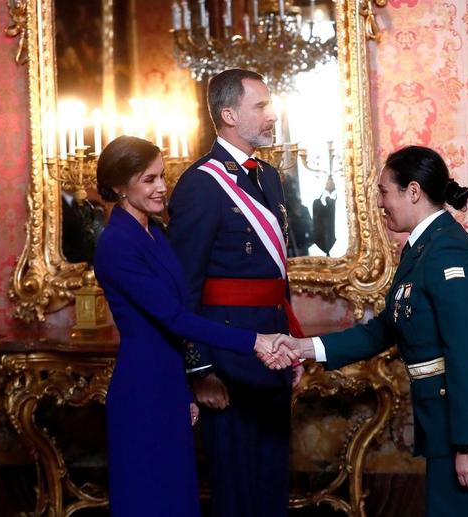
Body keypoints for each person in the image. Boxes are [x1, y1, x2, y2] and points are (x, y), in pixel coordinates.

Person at [280, 146, 468, 516]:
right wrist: (305, 348)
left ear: (414, 191)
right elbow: (382, 330)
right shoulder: (422, 249)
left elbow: (465, 354)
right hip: (448, 425)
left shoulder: (448, 253)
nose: (380, 202)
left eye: (384, 191)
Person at [92, 135, 297, 516]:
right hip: (143, 387)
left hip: (169, 381)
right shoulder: (116, 242)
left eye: (162, 176)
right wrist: (253, 340)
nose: (162, 188)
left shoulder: (155, 232)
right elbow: (175, 316)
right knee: (149, 499)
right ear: (120, 186)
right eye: (149, 180)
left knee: (179, 498)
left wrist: (187, 390)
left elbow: (187, 299)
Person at [168, 69, 303, 517]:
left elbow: (275, 278)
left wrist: (293, 344)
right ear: (228, 114)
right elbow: (184, 286)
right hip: (227, 356)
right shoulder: (200, 184)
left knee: (271, 479)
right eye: (260, 106)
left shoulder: (269, 177)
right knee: (236, 484)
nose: (272, 115)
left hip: (273, 347)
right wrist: (200, 368)